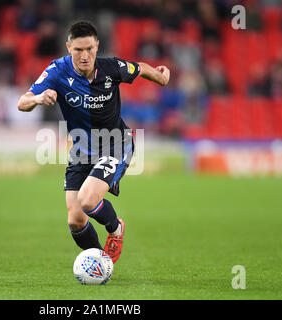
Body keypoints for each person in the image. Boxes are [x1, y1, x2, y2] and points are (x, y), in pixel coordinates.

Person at [17, 21, 170, 263]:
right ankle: (100, 263)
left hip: (115, 143)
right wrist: (38, 97)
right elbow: (22, 103)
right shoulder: (57, 71)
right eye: (78, 50)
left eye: (89, 48)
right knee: (75, 219)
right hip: (81, 150)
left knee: (88, 200)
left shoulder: (112, 68)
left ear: (97, 46)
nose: (84, 56)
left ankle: (115, 228)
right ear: (69, 47)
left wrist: (161, 78)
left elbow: (139, 68)